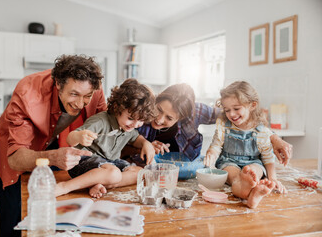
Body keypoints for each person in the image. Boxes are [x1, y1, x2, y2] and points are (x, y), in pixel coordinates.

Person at [0, 54, 107, 237]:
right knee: (14, 210)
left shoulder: (96, 89)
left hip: (56, 141)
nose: (80, 104)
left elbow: (103, 129)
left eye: (87, 96)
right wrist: (53, 157)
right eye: (74, 94)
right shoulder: (28, 92)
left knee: (54, 206)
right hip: (16, 145)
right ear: (58, 85)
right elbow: (15, 159)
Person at [123, 83, 292, 165]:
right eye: (158, 110)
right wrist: (143, 147)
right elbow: (116, 148)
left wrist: (274, 138)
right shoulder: (142, 111)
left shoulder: (195, 112)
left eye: (169, 118)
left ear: (183, 116)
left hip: (185, 170)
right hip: (145, 169)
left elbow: (240, 117)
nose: (159, 120)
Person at [55, 78, 156, 198]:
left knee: (140, 173)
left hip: (109, 164)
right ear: (118, 108)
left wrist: (146, 144)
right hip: (84, 162)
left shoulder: (128, 127)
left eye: (140, 120)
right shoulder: (101, 121)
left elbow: (136, 138)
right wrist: (79, 136)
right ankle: (66, 186)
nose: (135, 124)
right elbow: (70, 138)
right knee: (114, 174)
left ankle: (96, 183)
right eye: (130, 118)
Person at [203, 81, 287, 208]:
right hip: (229, 161)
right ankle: (248, 189)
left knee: (254, 171)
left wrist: (273, 178)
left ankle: (253, 188)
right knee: (235, 177)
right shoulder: (223, 124)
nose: (231, 114)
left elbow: (267, 157)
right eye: (227, 110)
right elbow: (217, 144)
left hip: (254, 162)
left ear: (252, 105)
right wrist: (211, 152)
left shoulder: (261, 130)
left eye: (236, 109)